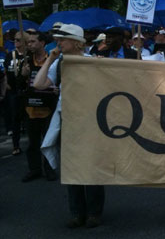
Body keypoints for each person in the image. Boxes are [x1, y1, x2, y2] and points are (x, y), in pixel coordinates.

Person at [34, 24, 105, 228]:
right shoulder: (60, 63)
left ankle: (94, 212)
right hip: (69, 122)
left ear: (76, 43)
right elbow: (38, 84)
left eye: (62, 39)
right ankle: (76, 213)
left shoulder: (94, 63)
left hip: (91, 122)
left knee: (91, 167)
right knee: (71, 168)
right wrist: (50, 59)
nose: (58, 43)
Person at [20, 30, 58, 182]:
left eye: (33, 41)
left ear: (42, 43)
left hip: (48, 108)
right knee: (32, 143)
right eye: (28, 42)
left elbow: (58, 79)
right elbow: (20, 85)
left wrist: (56, 88)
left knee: (48, 141)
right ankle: (34, 169)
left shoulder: (52, 60)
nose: (30, 45)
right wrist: (22, 74)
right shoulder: (26, 61)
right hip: (31, 109)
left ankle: (49, 169)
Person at [4, 30, 28, 156]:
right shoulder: (10, 55)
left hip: (27, 91)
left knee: (29, 118)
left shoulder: (29, 55)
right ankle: (16, 145)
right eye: (14, 39)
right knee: (15, 119)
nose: (15, 42)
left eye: (18, 40)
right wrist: (6, 83)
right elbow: (6, 71)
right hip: (13, 91)